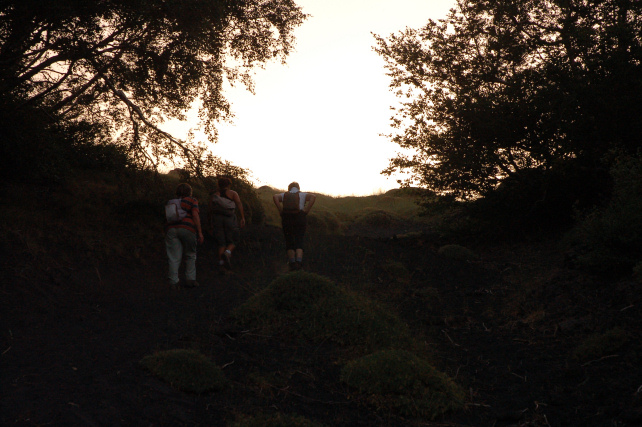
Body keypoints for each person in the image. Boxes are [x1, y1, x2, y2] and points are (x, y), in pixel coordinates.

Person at [166, 183, 204, 288]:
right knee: (190, 254)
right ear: (190, 192)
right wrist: (200, 232)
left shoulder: (171, 202)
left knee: (173, 256)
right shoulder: (192, 200)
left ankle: (173, 281)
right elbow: (195, 215)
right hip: (188, 228)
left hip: (171, 229)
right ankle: (190, 280)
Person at [273, 182, 316, 271]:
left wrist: (280, 210)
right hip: (300, 217)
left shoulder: (284, 195)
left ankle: (292, 263)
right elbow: (313, 197)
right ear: (298, 188)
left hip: (286, 217)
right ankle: (299, 262)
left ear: (289, 188)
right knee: (299, 238)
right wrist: (306, 210)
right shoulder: (302, 194)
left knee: (289, 239)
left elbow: (275, 197)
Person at [210, 177, 246, 271]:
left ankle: (221, 265)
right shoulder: (233, 193)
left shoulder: (215, 195)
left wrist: (210, 223)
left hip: (217, 219)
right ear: (229, 185)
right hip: (229, 219)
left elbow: (211, 209)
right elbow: (239, 204)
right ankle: (227, 252)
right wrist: (242, 217)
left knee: (221, 243)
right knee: (233, 240)